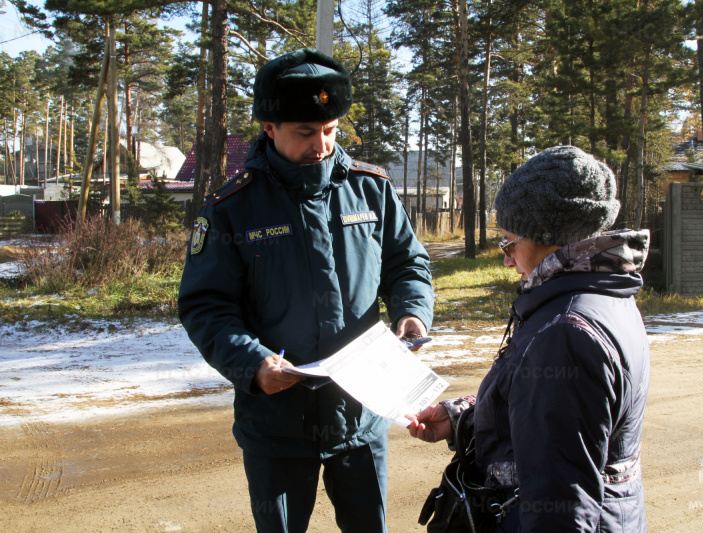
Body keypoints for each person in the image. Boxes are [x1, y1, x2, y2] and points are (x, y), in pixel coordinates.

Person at [178, 48, 434, 533]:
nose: (321, 145)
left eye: (330, 130)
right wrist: (252, 364)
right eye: (305, 133)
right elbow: (206, 305)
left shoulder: (372, 190)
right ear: (270, 128)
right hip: (275, 423)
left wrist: (412, 312)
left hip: (361, 416)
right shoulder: (233, 207)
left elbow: (408, 264)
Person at [408, 146, 650, 532]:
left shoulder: (567, 332)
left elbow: (560, 511)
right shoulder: (603, 295)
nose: (505, 259)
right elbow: (545, 421)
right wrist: (462, 421)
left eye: (508, 242)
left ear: (549, 236)